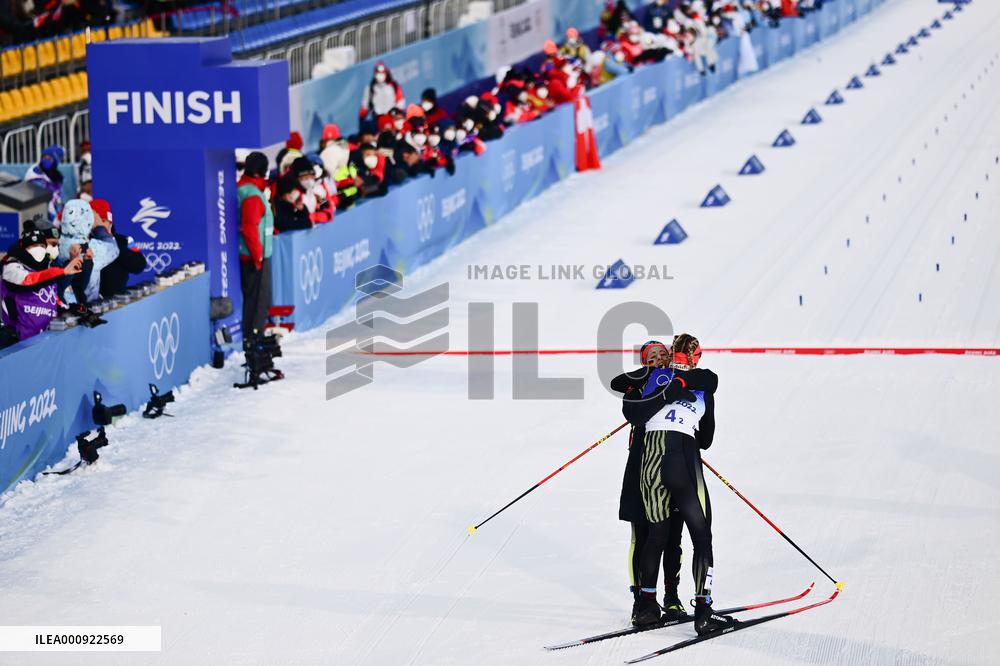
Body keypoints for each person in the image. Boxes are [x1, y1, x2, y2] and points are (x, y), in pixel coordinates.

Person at [631, 333, 736, 635]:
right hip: (683, 460)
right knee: (701, 536)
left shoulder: (651, 378)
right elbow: (706, 439)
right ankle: (703, 611)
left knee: (656, 536)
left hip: (650, 461)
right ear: (695, 357)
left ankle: (646, 608)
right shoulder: (703, 386)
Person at [610, 341, 687, 622]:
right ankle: (641, 602)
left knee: (673, 538)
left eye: (663, 354)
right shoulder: (637, 386)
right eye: (651, 356)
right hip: (639, 468)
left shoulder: (680, 381)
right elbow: (620, 386)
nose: (659, 358)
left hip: (675, 463)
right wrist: (652, 378)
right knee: (642, 537)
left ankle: (672, 597)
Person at [1, 228, 83, 342]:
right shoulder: (11, 268)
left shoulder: (47, 274)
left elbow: (55, 302)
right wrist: (62, 271)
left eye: (42, 246)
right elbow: (28, 281)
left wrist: (76, 310)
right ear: (24, 248)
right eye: (33, 246)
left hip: (44, 342)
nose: (39, 249)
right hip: (19, 343)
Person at [237, 151, 274, 340]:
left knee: (255, 299)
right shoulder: (252, 194)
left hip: (251, 253)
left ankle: (253, 336)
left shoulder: (247, 189)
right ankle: (254, 337)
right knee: (258, 300)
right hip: (254, 256)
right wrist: (257, 255)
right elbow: (250, 226)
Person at [57, 198, 119, 306]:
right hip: (88, 306)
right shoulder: (90, 247)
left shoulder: (54, 244)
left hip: (60, 308)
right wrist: (99, 227)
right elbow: (113, 248)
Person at [91, 198, 145, 298]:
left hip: (117, 300)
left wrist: (113, 243)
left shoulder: (125, 240)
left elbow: (139, 265)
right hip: (91, 302)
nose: (100, 226)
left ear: (110, 223)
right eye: (95, 223)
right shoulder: (85, 243)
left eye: (103, 221)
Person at [25, 145, 65, 221]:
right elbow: (43, 197)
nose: (46, 160)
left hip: (55, 213)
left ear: (55, 161)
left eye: (49, 158)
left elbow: (60, 198)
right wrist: (55, 220)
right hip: (38, 212)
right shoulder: (35, 172)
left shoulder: (56, 175)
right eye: (44, 157)